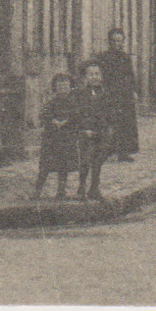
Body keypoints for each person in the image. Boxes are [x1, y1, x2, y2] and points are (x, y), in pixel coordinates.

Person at [92, 28, 140, 163]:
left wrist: (134, 91)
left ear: (122, 42)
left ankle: (123, 152)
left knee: (125, 123)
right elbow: (98, 75)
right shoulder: (103, 57)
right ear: (109, 42)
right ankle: (106, 151)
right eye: (113, 40)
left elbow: (130, 75)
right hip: (109, 93)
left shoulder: (125, 58)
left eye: (118, 41)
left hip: (124, 94)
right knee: (107, 122)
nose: (115, 43)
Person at [31, 73, 79, 200]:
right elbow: (43, 114)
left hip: (66, 138)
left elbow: (77, 115)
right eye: (59, 85)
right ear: (55, 88)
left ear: (70, 87)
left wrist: (66, 122)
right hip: (51, 139)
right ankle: (37, 191)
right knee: (45, 167)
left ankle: (61, 191)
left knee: (63, 166)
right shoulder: (51, 103)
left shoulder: (73, 102)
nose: (62, 88)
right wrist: (53, 121)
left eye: (65, 85)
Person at [72, 61, 111, 200]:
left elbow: (109, 111)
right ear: (84, 77)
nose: (94, 77)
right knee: (85, 160)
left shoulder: (105, 93)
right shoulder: (80, 94)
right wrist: (83, 129)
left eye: (97, 74)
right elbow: (77, 113)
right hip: (86, 131)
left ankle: (94, 187)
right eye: (90, 74)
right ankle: (81, 187)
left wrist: (107, 129)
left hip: (101, 131)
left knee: (98, 160)